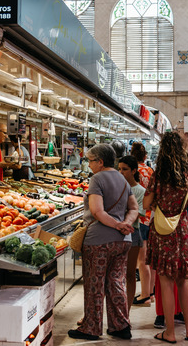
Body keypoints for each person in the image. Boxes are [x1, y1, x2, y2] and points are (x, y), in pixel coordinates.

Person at [68, 144, 138, 341]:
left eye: (90, 160)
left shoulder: (97, 179)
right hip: (123, 241)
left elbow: (97, 212)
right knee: (116, 282)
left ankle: (91, 328)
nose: (89, 165)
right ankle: (121, 326)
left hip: (99, 241)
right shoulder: (123, 179)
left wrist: (117, 225)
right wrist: (125, 224)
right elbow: (134, 208)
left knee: (94, 284)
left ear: (100, 161)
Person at [144, 132, 188, 343]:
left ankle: (169, 332)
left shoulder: (157, 176)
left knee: (165, 282)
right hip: (182, 231)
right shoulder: (187, 176)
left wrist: (160, 203)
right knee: (182, 283)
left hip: (161, 232)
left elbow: (146, 204)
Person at [118, 155, 146, 312]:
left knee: (129, 274)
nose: (121, 172)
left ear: (134, 171)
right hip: (114, 233)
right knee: (114, 275)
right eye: (119, 169)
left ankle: (126, 311)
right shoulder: (116, 187)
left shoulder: (140, 191)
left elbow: (140, 213)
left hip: (133, 234)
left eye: (125, 169)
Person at [129, 142, 154, 306]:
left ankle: (145, 294)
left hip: (138, 217)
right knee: (149, 259)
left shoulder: (130, 172)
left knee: (141, 259)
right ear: (145, 156)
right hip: (150, 216)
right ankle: (150, 292)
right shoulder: (150, 170)